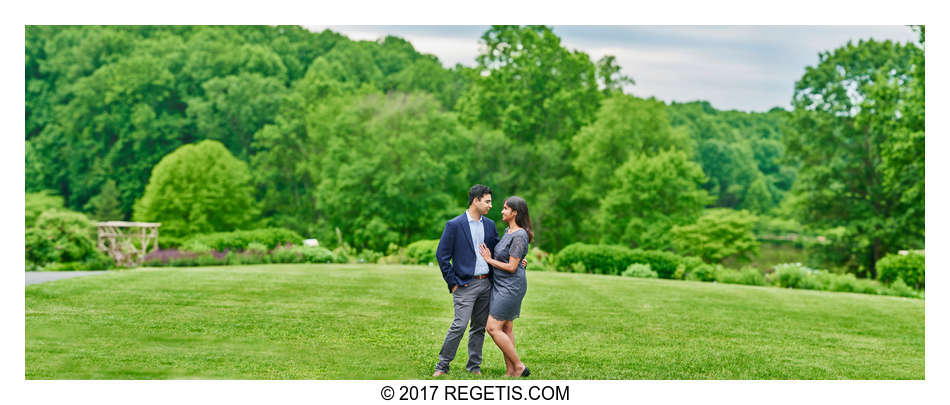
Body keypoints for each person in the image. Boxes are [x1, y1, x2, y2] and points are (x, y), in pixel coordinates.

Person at [432, 184, 499, 377]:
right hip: (464, 285)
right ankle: (442, 365)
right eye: (487, 201)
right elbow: (442, 255)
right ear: (475, 201)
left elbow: (498, 250)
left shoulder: (490, 225)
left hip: (486, 283)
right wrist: (453, 282)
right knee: (459, 325)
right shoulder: (454, 225)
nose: (490, 206)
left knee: (479, 327)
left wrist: (518, 258)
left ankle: (474, 366)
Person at [478, 196, 532, 377]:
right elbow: (511, 258)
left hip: (511, 287)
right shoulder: (509, 231)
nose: (502, 211)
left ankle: (518, 366)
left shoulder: (519, 235)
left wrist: (489, 260)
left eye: (505, 208)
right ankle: (510, 371)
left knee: (492, 327)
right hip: (501, 284)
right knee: (506, 328)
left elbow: (511, 266)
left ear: (515, 212)